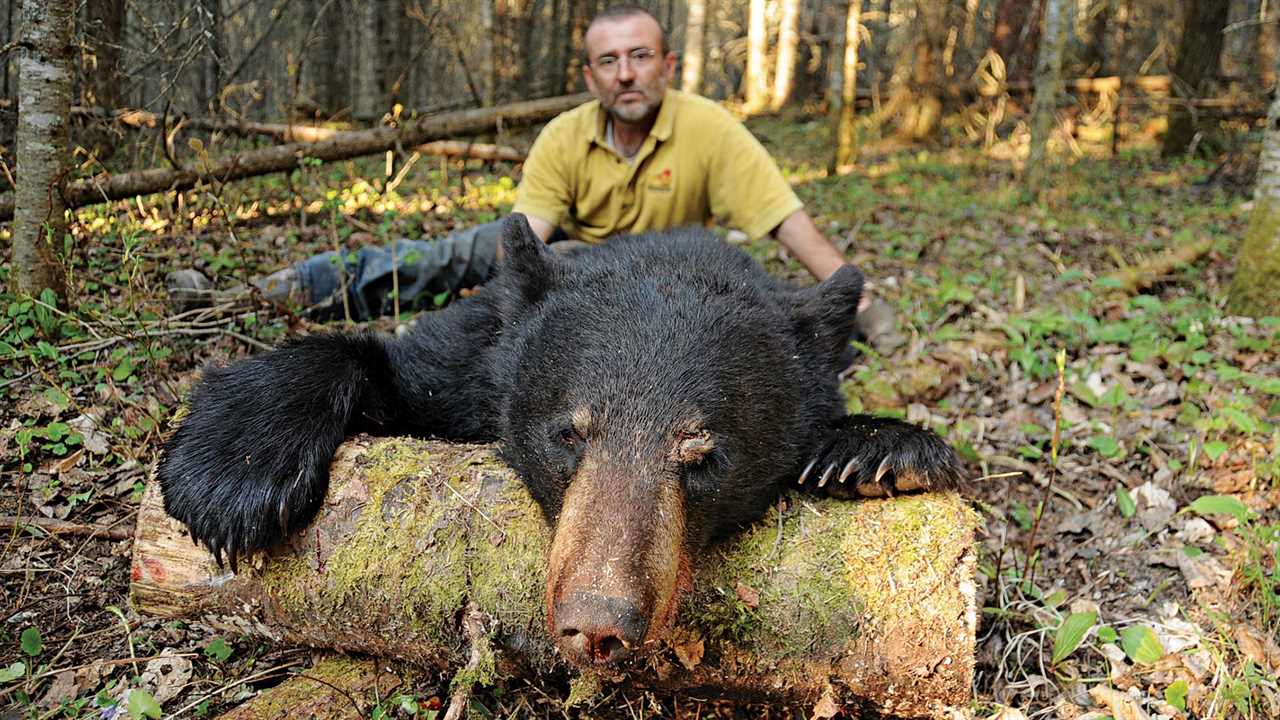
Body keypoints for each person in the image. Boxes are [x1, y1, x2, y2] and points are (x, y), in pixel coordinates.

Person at [169, 5, 889, 337]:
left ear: (668, 64)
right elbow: (529, 242)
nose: (626, 73)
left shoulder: (711, 131)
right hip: (568, 260)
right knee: (446, 257)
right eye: (609, 61)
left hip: (665, 290)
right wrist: (499, 291)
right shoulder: (565, 136)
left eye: (640, 56)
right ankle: (265, 296)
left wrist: (853, 300)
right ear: (590, 75)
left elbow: (788, 223)